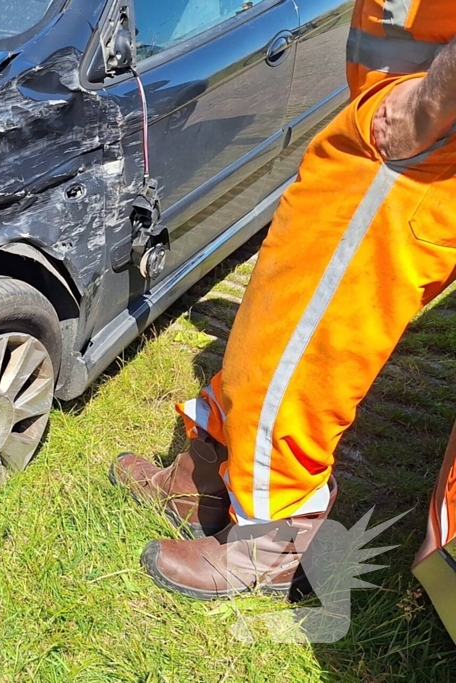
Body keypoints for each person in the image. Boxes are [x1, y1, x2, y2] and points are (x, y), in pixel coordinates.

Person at [111, 0, 456, 598]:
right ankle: (203, 486)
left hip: (424, 135)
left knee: (307, 333)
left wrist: (429, 106)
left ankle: (272, 536)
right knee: (277, 309)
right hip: (402, 112)